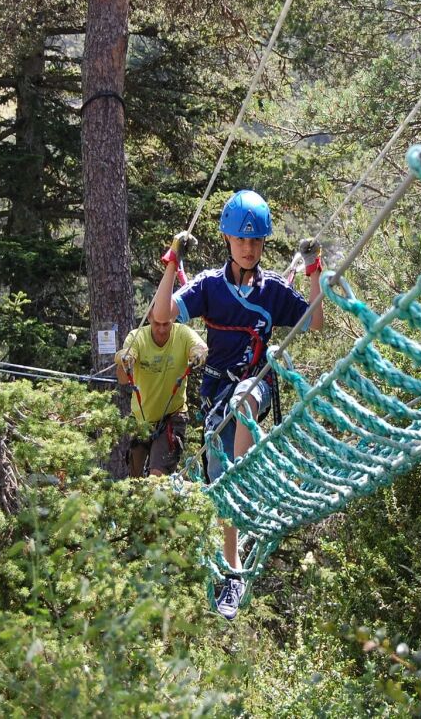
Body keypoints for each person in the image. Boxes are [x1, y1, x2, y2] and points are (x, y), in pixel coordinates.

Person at [151, 190, 323, 620]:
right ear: (228, 240)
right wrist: (172, 263)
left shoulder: (273, 292)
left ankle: (242, 478)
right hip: (214, 397)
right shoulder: (210, 286)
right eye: (241, 241)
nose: (248, 249)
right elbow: (161, 314)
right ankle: (232, 574)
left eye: (256, 241)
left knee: (244, 407)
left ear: (263, 244)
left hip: (253, 389)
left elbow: (315, 322)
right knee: (220, 496)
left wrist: (315, 270)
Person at [115, 314, 207, 478]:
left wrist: (198, 353)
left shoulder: (183, 333)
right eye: (157, 323)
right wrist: (126, 361)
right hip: (140, 419)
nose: (162, 329)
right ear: (149, 317)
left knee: (157, 477)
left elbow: (200, 346)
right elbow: (122, 379)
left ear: (174, 318)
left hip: (173, 416)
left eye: (167, 323)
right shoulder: (137, 337)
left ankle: (159, 499)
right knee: (135, 479)